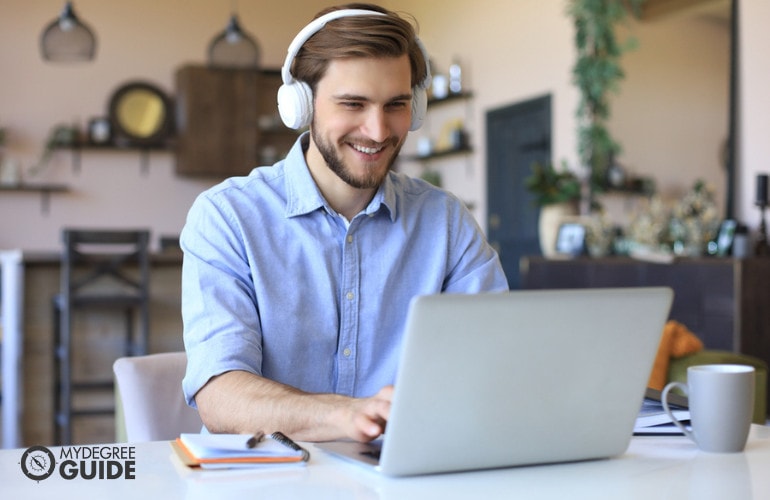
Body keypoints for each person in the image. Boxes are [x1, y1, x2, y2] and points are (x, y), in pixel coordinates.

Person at [180, 3, 508, 443]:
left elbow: (498, 363)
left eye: (396, 105)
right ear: (300, 105)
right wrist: (345, 416)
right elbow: (221, 395)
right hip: (266, 481)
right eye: (353, 103)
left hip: (403, 477)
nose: (377, 131)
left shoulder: (446, 222)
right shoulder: (226, 217)